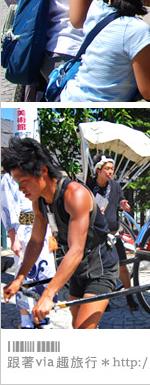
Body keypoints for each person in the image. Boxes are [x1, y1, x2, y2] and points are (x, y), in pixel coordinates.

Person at [2, 137, 119, 329]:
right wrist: (19, 278)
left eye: (23, 181)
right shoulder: (39, 201)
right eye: (16, 182)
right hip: (77, 269)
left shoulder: (75, 195)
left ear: (43, 171)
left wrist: (48, 295)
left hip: (101, 265)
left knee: (82, 329)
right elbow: (36, 241)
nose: (20, 188)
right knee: (77, 326)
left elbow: (76, 250)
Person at [0, 172, 56, 328]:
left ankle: (42, 314)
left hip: (42, 230)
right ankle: (25, 316)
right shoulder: (9, 178)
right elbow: (6, 208)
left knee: (45, 273)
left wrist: (51, 232)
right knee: (24, 274)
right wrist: (13, 237)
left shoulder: (38, 174)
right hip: (22, 232)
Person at [87, 155, 138, 311]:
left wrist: (123, 203)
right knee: (101, 269)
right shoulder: (89, 187)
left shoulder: (115, 185)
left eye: (112, 169)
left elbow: (121, 199)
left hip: (114, 233)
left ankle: (129, 296)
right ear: (98, 170)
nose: (110, 172)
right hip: (97, 235)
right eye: (107, 169)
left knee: (122, 266)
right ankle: (104, 299)